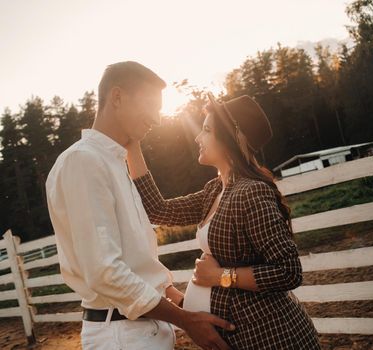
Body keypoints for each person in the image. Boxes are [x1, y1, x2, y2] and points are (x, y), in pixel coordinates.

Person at [45, 61, 234, 350]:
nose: (157, 119)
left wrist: (179, 303)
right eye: (150, 106)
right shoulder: (83, 162)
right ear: (117, 97)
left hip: (140, 327)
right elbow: (105, 272)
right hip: (122, 333)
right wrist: (185, 319)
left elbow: (135, 261)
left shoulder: (112, 162)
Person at [127, 92, 321, 349]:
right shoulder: (214, 190)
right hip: (244, 339)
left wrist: (221, 276)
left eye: (207, 129)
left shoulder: (251, 191)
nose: (198, 136)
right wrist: (132, 145)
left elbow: (288, 271)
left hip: (272, 338)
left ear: (234, 137)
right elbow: (158, 210)